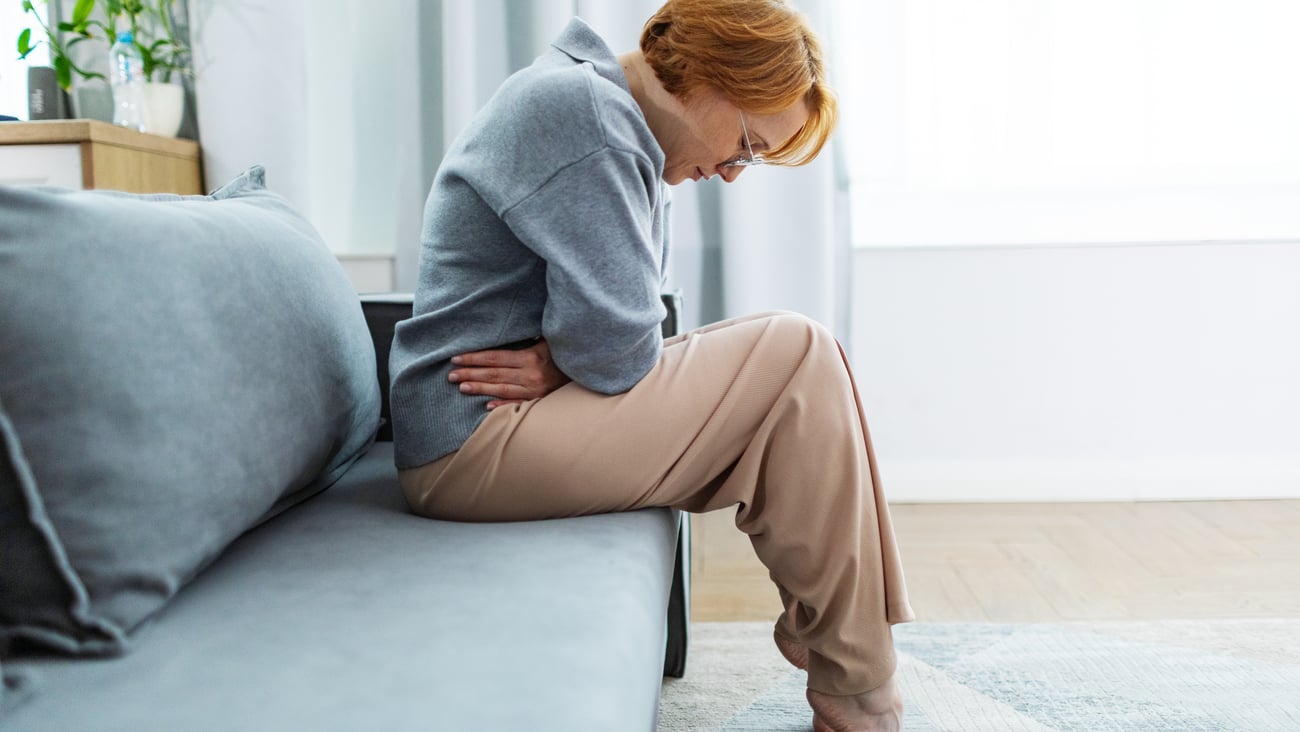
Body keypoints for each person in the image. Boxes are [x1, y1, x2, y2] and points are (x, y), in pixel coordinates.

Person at [388, 1, 914, 729]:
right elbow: (617, 351)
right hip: (473, 439)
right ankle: (855, 682)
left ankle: (842, 653)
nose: (733, 174)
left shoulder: (602, 113)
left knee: (796, 374)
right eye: (748, 145)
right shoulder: (588, 117)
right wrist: (576, 355)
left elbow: (625, 332)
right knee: (797, 351)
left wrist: (568, 357)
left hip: (500, 424)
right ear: (706, 75)